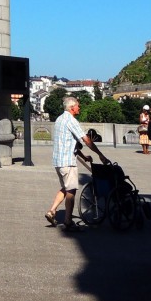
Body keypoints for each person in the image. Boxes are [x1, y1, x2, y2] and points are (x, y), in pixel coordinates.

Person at [45, 96, 107, 232]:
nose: (79, 107)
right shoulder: (71, 121)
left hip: (58, 161)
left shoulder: (60, 119)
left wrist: (84, 156)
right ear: (72, 108)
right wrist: (100, 154)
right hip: (68, 162)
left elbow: (69, 143)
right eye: (78, 106)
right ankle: (68, 221)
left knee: (65, 188)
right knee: (71, 191)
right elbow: (86, 140)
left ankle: (52, 211)